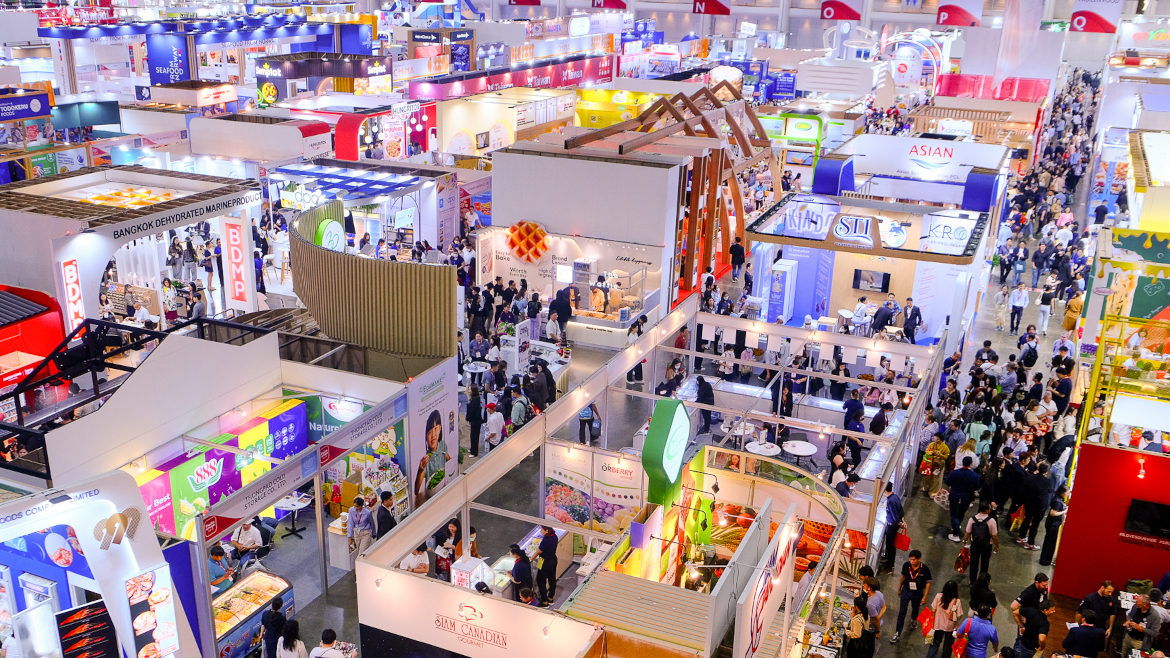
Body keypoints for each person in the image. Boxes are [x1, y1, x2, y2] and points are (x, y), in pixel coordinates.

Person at [891, 549, 932, 643]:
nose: (911, 562)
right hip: (906, 591)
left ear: (919, 559)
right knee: (902, 612)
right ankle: (897, 633)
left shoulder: (925, 569)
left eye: (913, 560)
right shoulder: (906, 565)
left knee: (915, 608)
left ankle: (914, 619)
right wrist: (899, 588)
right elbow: (903, 577)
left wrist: (925, 597)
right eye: (910, 559)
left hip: (917, 593)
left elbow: (928, 583)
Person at [964, 501, 1000, 586]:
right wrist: (997, 546)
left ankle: (972, 582)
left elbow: (968, 533)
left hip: (974, 544)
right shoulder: (991, 521)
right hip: (987, 546)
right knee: (985, 564)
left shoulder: (972, 519)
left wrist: (964, 541)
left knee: (974, 563)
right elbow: (994, 536)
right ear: (987, 510)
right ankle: (982, 582)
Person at [925, 580, 964, 658]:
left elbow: (933, 610)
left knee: (935, 644)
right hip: (950, 627)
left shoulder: (938, 596)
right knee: (948, 647)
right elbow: (959, 616)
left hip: (938, 625)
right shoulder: (957, 601)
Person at [945, 456, 980, 541]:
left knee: (954, 514)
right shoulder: (975, 476)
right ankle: (957, 525)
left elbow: (947, 482)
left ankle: (955, 533)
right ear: (971, 464)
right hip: (967, 498)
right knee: (961, 513)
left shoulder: (954, 473)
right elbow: (977, 487)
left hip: (955, 496)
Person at [1038, 485, 1068, 566]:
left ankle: (1046, 560)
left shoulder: (1058, 498)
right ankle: (1045, 560)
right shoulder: (1058, 502)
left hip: (1052, 524)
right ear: (1062, 492)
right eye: (1067, 493)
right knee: (1050, 544)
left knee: (1049, 543)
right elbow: (1053, 513)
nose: (1068, 495)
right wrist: (1064, 512)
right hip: (1053, 525)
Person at [881, 482, 904, 573]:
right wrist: (902, 521)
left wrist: (899, 523)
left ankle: (890, 566)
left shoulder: (890, 501)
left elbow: (894, 515)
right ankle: (889, 562)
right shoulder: (895, 497)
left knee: (890, 545)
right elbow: (901, 510)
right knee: (891, 545)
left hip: (892, 526)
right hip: (895, 525)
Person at [534, 525, 559, 605]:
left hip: (544, 562)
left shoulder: (545, 541)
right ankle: (550, 597)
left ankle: (544, 601)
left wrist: (531, 559)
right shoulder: (555, 536)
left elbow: (539, 551)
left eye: (542, 530)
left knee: (541, 580)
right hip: (553, 560)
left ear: (547, 530)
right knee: (552, 579)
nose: (541, 532)